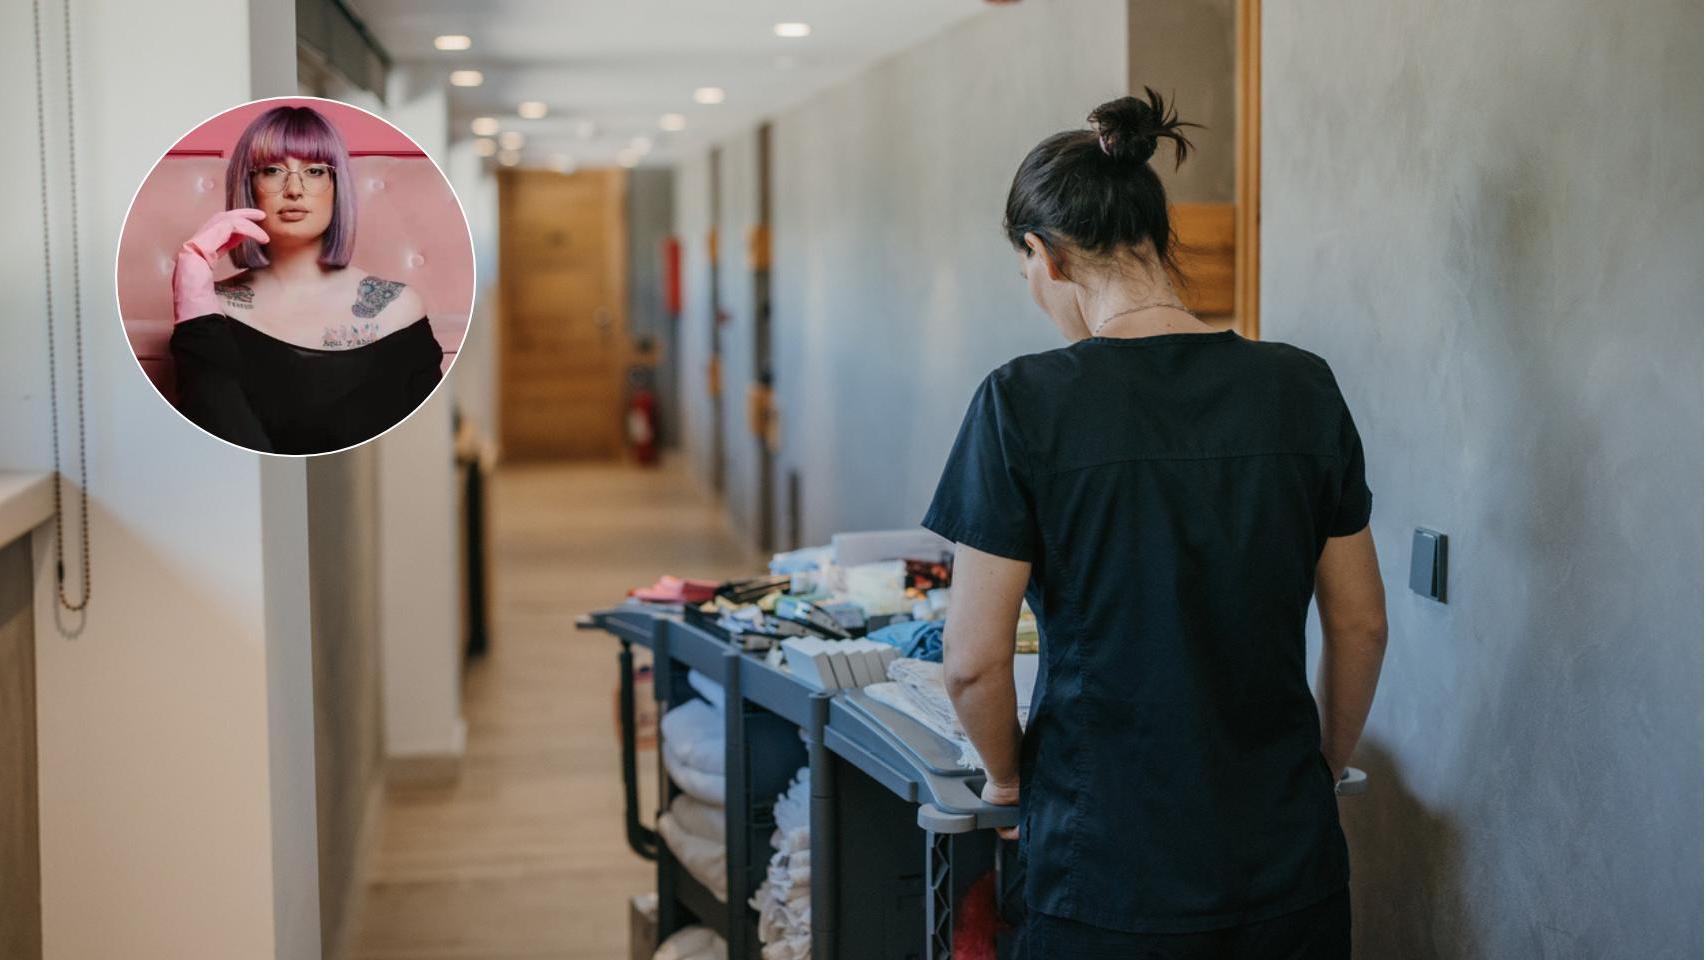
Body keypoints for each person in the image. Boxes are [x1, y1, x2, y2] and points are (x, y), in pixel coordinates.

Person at [922, 89, 1389, 958]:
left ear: (1045, 256)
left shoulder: (1022, 404)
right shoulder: (1301, 387)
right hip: (1286, 866)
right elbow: (1360, 623)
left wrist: (1008, 778)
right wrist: (1319, 768)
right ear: (1154, 237)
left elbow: (972, 662)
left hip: (1104, 868)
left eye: (1025, 270)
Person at [168, 104, 444, 455]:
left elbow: (422, 449)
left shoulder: (398, 307)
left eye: (314, 171)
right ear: (248, 185)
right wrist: (191, 276)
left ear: (336, 186)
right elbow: (220, 435)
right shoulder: (211, 312)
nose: (294, 190)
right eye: (272, 170)